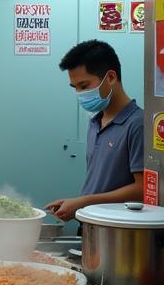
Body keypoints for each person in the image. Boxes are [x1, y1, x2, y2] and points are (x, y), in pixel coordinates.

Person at [46, 39, 144, 221]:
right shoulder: (94, 122)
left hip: (118, 233)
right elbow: (101, 183)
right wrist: (76, 204)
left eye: (84, 86)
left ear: (111, 78)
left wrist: (84, 202)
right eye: (74, 88)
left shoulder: (138, 124)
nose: (80, 94)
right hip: (90, 225)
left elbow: (142, 189)